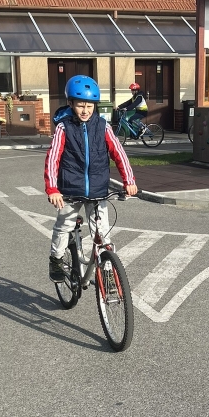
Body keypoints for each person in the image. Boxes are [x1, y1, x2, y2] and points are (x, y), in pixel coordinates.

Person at [44, 75, 137, 282]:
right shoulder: (63, 128)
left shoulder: (103, 126)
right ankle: (56, 259)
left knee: (103, 236)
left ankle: (108, 276)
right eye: (80, 106)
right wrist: (53, 189)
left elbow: (119, 154)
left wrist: (129, 181)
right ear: (71, 104)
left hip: (97, 190)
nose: (85, 111)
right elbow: (53, 158)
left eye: (89, 106)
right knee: (64, 226)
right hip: (69, 190)